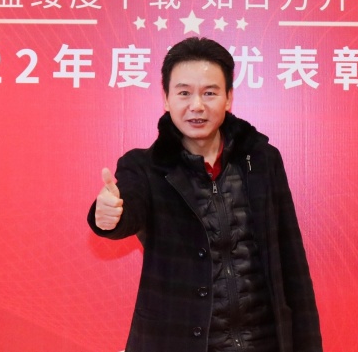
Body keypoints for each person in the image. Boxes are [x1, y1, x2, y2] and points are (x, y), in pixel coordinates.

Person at [89, 36, 322, 352]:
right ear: (166, 99)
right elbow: (128, 209)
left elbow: (291, 259)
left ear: (228, 98)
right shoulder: (144, 167)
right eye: (184, 93)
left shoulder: (262, 160)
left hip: (262, 342)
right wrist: (107, 216)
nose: (196, 106)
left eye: (209, 93)